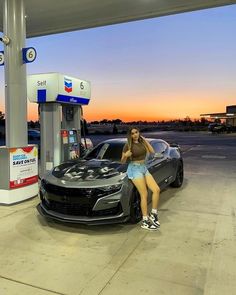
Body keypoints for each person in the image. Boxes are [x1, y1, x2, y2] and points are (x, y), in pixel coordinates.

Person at [121, 127, 161, 230]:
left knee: (156, 190)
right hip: (134, 169)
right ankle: (144, 221)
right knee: (144, 194)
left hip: (143, 168)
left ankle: (153, 214)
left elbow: (152, 151)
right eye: (132, 133)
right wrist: (126, 155)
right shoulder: (128, 145)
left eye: (136, 132)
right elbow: (122, 161)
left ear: (139, 133)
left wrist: (144, 140)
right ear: (130, 135)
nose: (135, 135)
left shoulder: (142, 143)